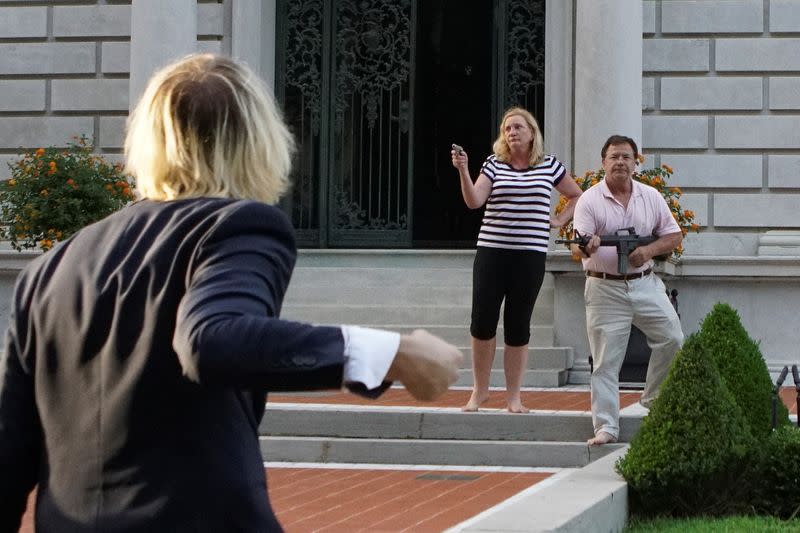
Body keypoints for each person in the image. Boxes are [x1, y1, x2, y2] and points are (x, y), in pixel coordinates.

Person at [0, 54, 462, 532]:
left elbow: (9, 456)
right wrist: (394, 353)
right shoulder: (237, 225)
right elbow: (212, 340)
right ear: (258, 140)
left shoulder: (50, 269)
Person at [451, 107, 582, 413]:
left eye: (518, 127)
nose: (511, 132)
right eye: (507, 128)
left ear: (532, 132)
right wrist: (463, 170)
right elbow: (474, 201)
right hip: (492, 253)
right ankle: (479, 391)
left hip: (529, 256)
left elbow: (578, 195)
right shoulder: (494, 164)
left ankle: (514, 397)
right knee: (482, 322)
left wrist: (560, 219)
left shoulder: (550, 166)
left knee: (518, 325)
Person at [570, 134, 684, 446]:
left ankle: (655, 398)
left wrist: (648, 251)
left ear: (635, 163)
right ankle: (606, 427)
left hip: (644, 282)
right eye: (614, 157)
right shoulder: (590, 201)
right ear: (603, 163)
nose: (620, 162)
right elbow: (577, 247)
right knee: (606, 361)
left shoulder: (651, 196)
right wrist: (588, 245)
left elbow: (673, 235)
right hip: (604, 288)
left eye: (626, 157)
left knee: (673, 337)